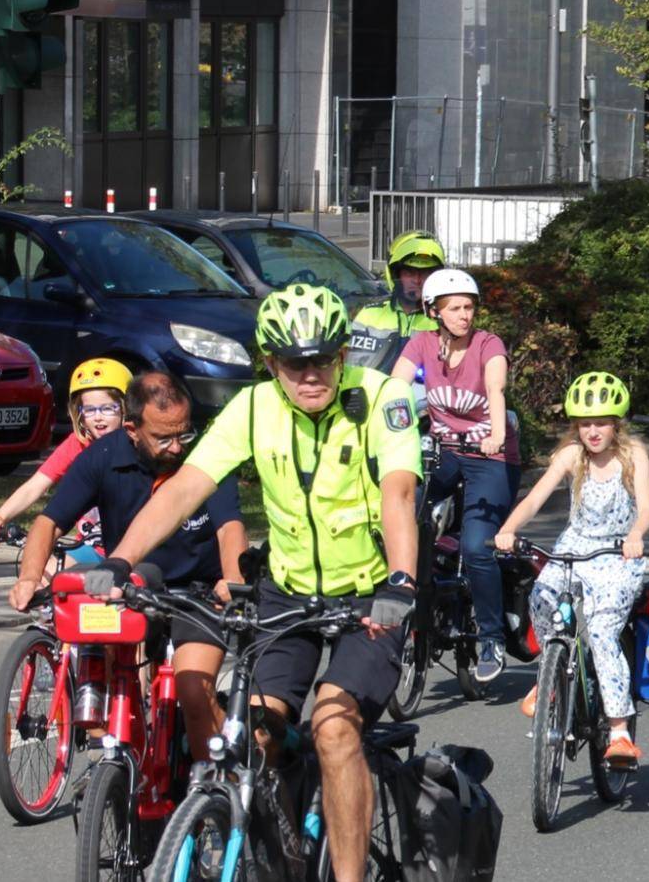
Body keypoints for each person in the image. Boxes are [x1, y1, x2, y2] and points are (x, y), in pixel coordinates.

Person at [87, 284, 420, 882]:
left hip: (370, 597)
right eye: (294, 363)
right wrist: (120, 561)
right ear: (270, 362)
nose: (311, 375)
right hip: (288, 595)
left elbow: (398, 493)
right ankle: (284, 857)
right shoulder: (253, 407)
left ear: (343, 354)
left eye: (324, 359)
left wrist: (400, 581)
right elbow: (185, 488)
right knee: (257, 734)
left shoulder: (382, 398)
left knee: (334, 727)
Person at [10, 371, 247, 762]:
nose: (177, 447)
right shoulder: (102, 456)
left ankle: (223, 780)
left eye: (184, 433)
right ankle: (109, 749)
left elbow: (229, 528)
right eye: (164, 438)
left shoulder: (206, 456)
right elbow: (49, 522)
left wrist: (233, 580)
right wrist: (29, 578)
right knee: (92, 628)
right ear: (133, 430)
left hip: (197, 594)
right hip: (129, 589)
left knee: (194, 694)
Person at [496, 372, 649, 768]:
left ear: (615, 424)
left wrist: (636, 535)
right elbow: (535, 499)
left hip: (618, 551)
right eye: (585, 424)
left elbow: (648, 508)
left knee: (601, 632)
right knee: (542, 596)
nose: (593, 432)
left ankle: (618, 731)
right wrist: (508, 529)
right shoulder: (571, 456)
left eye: (600, 423)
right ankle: (550, 678)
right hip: (575, 546)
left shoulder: (633, 454)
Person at [390, 268, 519, 684]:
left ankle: (491, 639)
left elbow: (496, 390)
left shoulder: (488, 344)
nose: (465, 315)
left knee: (478, 546)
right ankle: (408, 603)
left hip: (490, 459)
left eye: (469, 307)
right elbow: (395, 389)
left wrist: (496, 435)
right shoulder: (421, 343)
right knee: (402, 512)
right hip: (444, 453)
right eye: (455, 308)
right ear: (434, 311)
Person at [0, 357, 131, 550]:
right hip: (91, 546)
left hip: (131, 549)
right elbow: (36, 485)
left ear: (126, 408)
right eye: (89, 410)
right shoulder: (77, 444)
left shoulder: (137, 447)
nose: (98, 417)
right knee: (42, 567)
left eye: (108, 408)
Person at [350, 229, 443, 370]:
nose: (417, 280)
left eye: (425, 273)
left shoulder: (444, 319)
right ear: (395, 275)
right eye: (410, 272)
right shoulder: (369, 315)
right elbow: (352, 367)